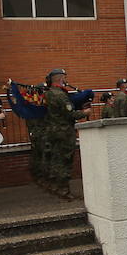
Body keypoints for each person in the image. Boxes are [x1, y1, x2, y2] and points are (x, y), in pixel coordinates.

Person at [41, 68, 86, 199]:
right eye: (64, 78)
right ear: (60, 79)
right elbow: (69, 113)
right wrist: (85, 113)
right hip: (64, 131)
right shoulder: (60, 94)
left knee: (56, 159)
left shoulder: (48, 93)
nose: (66, 81)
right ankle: (64, 190)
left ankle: (54, 186)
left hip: (53, 130)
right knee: (64, 160)